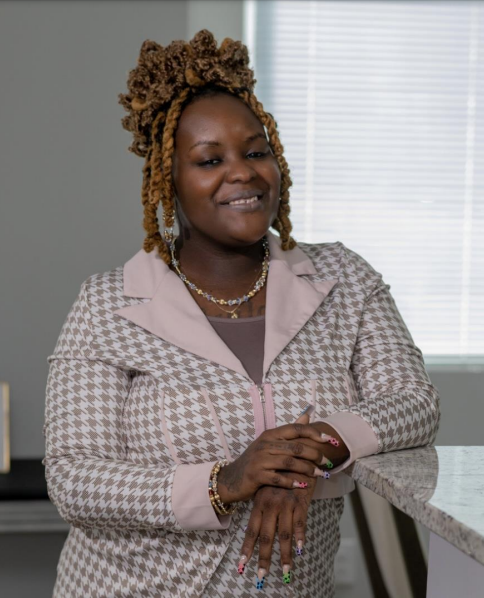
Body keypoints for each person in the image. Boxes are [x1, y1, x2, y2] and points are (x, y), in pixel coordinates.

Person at [42, 29, 441, 598]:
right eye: (210, 160)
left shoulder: (344, 281)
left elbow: (414, 403)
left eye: (256, 152)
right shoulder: (109, 304)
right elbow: (75, 479)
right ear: (168, 181)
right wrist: (227, 481)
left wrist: (304, 455)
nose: (243, 173)